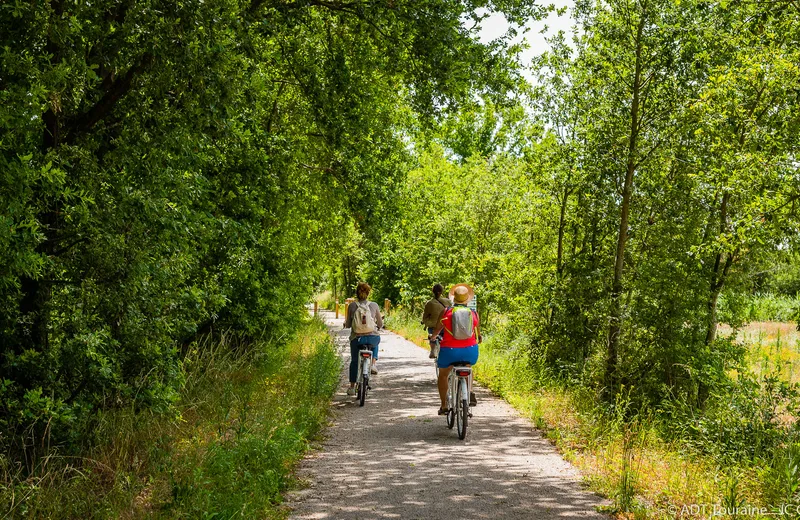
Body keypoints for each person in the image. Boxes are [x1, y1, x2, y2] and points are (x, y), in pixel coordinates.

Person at [429, 285, 481, 414]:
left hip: (450, 351)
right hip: (470, 350)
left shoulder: (447, 311)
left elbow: (437, 330)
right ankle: (469, 392)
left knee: (443, 375)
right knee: (468, 367)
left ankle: (444, 406)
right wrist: (478, 338)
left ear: (453, 298)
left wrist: (433, 337)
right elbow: (478, 335)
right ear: (467, 299)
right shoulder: (473, 313)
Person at [345, 282, 384, 396]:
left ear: (357, 292)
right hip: (371, 338)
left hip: (357, 339)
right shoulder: (374, 305)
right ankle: (373, 364)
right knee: (376, 339)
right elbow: (380, 323)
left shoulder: (352, 306)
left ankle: (352, 387)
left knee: (354, 361)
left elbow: (348, 325)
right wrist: (379, 326)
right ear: (368, 293)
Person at [421, 283, 451, 359]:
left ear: (433, 292)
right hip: (445, 326)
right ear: (442, 291)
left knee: (432, 335)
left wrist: (424, 322)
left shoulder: (429, 303)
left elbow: (425, 316)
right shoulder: (448, 302)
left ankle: (432, 350)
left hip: (433, 326)